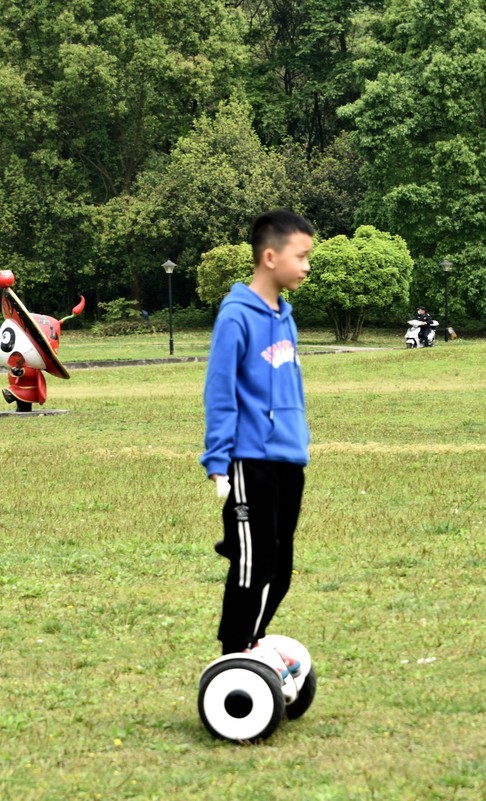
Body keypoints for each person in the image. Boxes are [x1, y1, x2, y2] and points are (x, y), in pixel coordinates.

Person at [201, 209, 314, 680]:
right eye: (301, 256)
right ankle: (234, 656)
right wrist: (218, 460)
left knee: (282, 566)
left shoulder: (284, 316)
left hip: (289, 458)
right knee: (254, 563)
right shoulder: (236, 317)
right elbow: (220, 390)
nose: (307, 265)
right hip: (251, 461)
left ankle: (254, 641)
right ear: (270, 257)